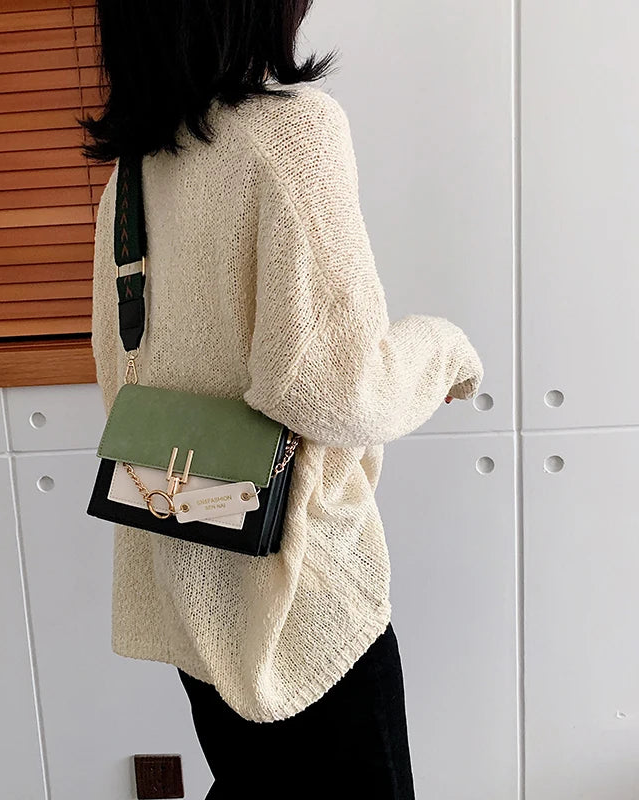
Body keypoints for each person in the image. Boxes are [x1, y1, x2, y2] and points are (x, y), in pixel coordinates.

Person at [81, 1, 484, 797]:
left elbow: (118, 372)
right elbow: (332, 387)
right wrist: (444, 351)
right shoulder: (293, 135)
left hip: (192, 568)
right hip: (298, 592)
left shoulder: (131, 179)